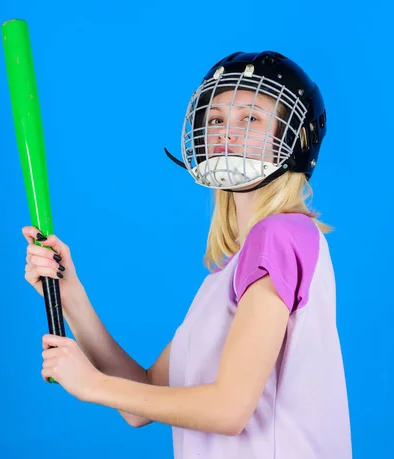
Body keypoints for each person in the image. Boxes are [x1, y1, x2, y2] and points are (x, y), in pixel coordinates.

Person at [22, 51, 352, 459]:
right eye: (215, 120)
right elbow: (139, 403)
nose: (226, 132)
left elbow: (229, 410)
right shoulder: (226, 277)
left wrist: (91, 384)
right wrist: (71, 296)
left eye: (251, 118)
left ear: (295, 139)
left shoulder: (281, 234)